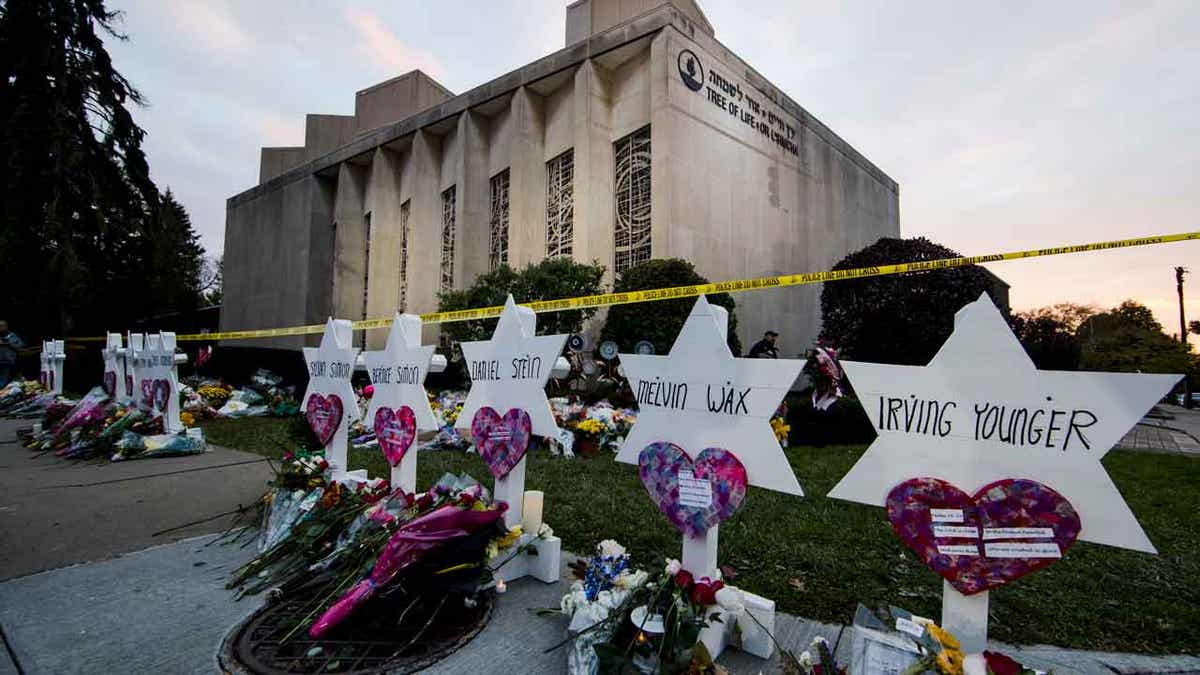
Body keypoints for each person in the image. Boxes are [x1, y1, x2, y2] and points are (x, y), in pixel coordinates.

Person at [0, 320, 25, 386]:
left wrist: (8, 344)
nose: (1, 328)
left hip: (8, 362)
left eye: (3, 326)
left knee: (6, 381)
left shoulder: (12, 336)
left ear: (6, 326)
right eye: (0, 326)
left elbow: (20, 346)